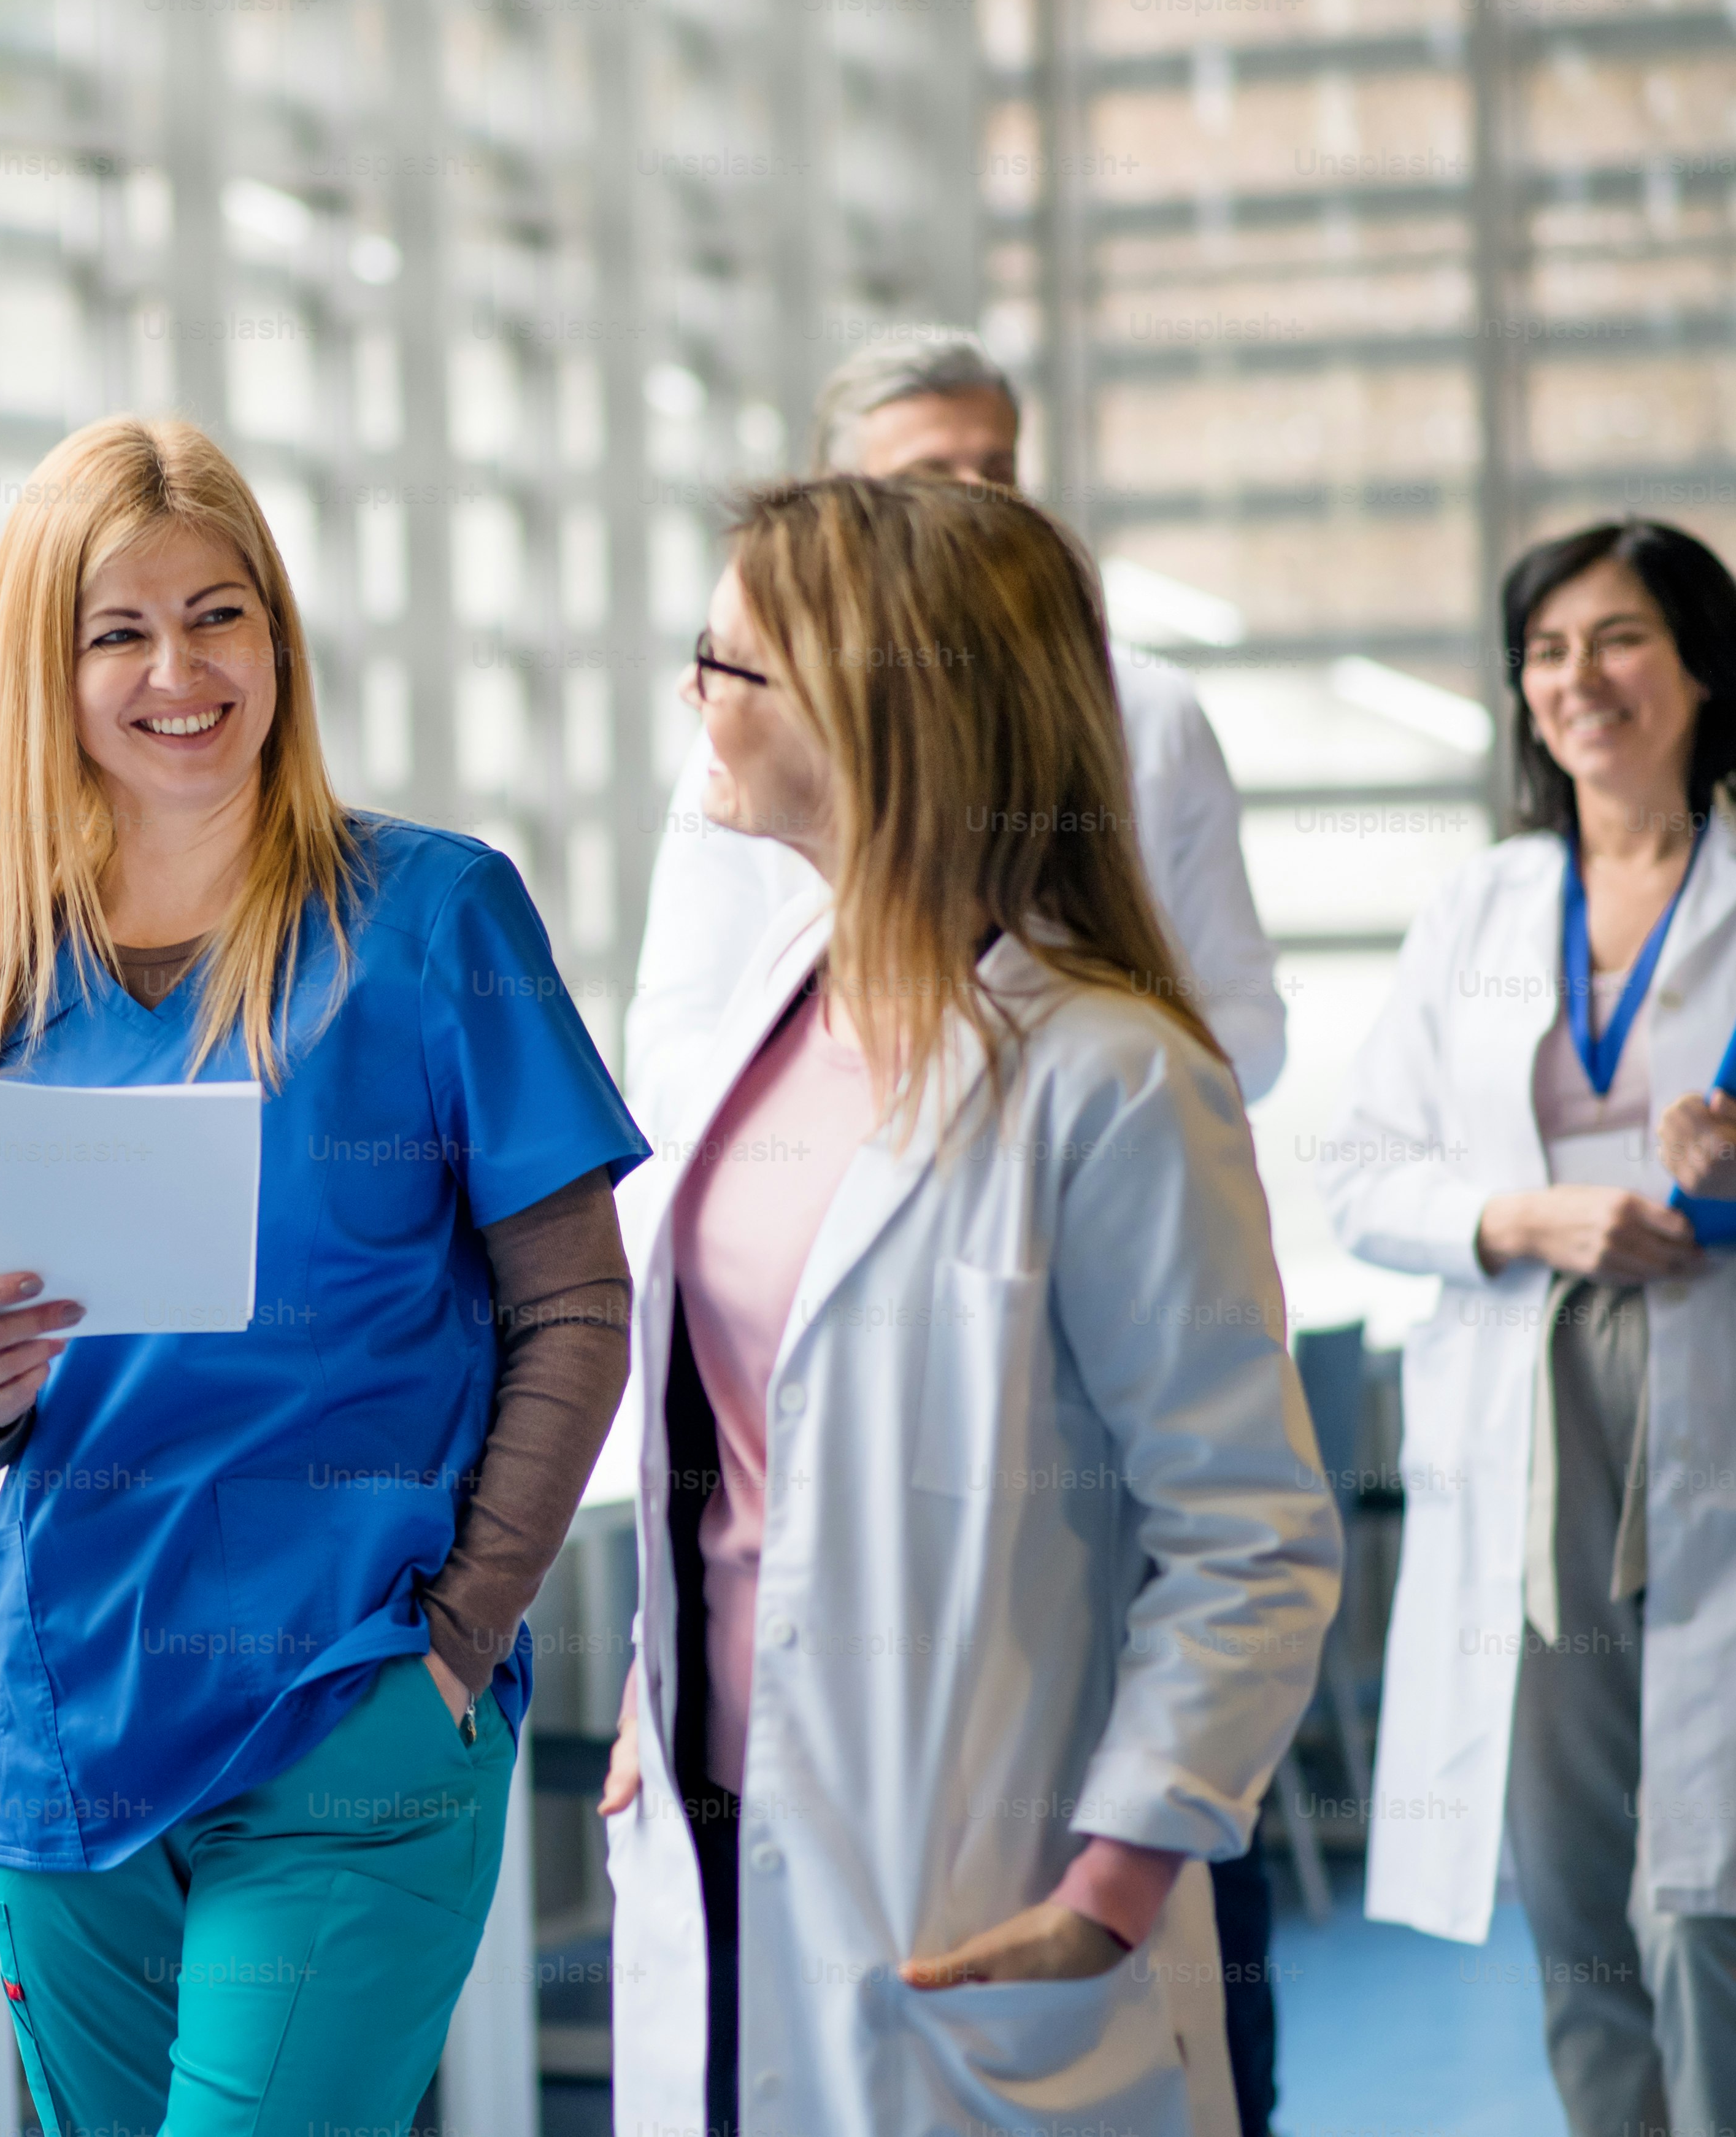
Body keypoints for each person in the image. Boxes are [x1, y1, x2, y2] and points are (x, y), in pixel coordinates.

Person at [0, 414, 647, 2132]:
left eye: (219, 614)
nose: (176, 670)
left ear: (277, 637)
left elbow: (573, 1302)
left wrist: (459, 1635)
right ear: (42, 674)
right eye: (116, 632)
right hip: (68, 1722)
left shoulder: (431, 921)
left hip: (349, 1701)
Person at [593, 475, 1338, 2137]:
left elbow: (1251, 1534)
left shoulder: (1113, 1081)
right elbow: (724, 1430)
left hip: (976, 1891)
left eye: (732, 667)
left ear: (878, 715)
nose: (695, 701)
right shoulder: (762, 1018)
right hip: (714, 1836)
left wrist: (1120, 1880)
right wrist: (655, 1683)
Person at [1318, 516, 1736, 2137]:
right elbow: (1361, 1171)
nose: (1581, 680)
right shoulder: (1481, 911)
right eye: (1549, 650)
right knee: (1577, 1896)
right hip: (1534, 1414)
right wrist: (1520, 1218)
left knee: (1704, 1899)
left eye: (1620, 639)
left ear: (1701, 668)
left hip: (1709, 1390)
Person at [624, 327, 1285, 1132]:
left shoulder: (1150, 712)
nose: (978, 501)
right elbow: (672, 1038)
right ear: (836, 505)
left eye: (997, 469)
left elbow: (1245, 1021)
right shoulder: (746, 734)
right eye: (928, 476)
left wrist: (1080, 1093)